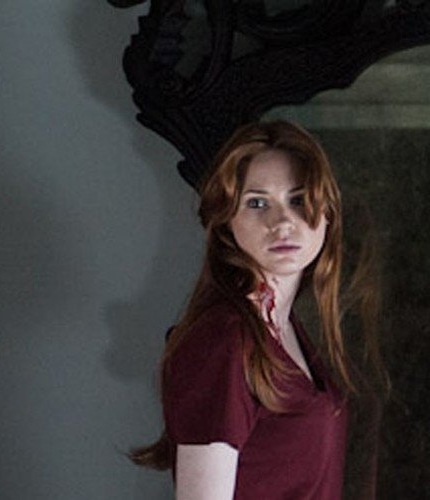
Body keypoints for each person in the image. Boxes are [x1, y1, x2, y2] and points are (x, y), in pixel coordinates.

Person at [131, 120, 364, 499]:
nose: (282, 222)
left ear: (327, 214)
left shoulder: (283, 328)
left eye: (298, 200)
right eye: (257, 203)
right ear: (227, 221)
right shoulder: (224, 339)